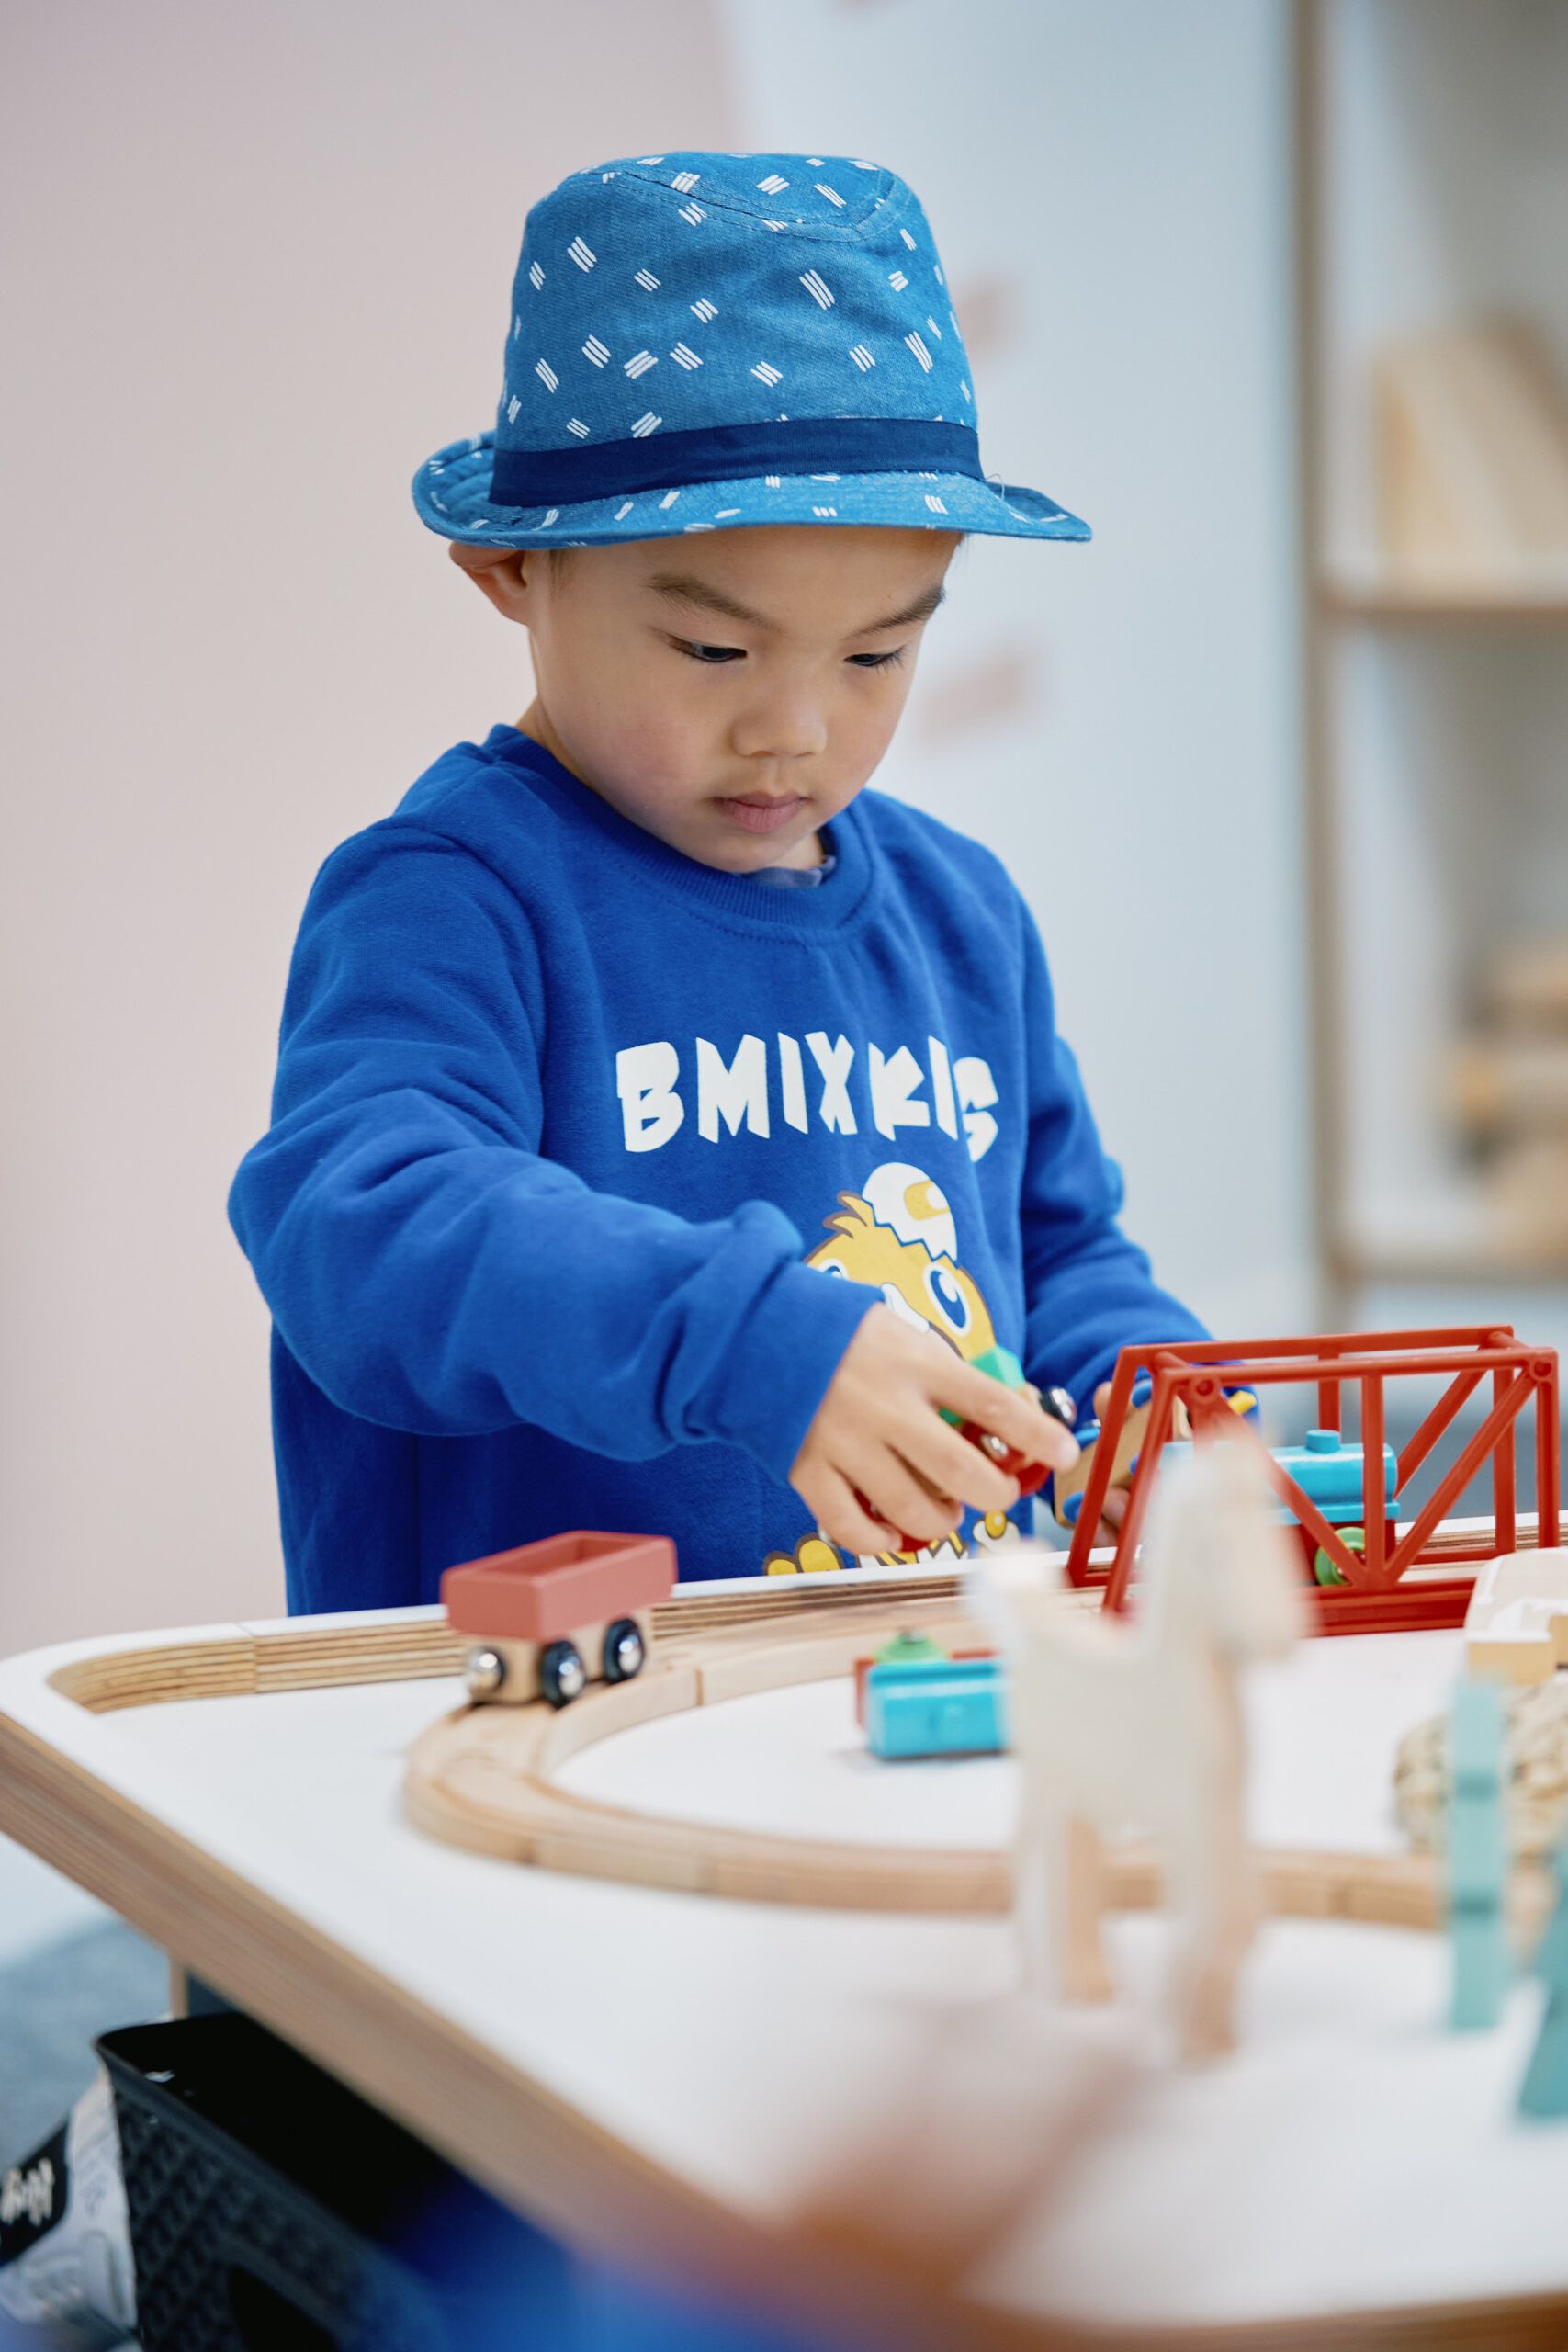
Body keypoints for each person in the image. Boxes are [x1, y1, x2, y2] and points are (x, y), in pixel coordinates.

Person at [229, 150, 1208, 1614]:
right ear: (509, 568)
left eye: (876, 654)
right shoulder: (453, 897)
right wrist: (748, 1343)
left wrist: (1161, 1414)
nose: (793, 729)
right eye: (713, 650)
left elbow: (1059, 1258)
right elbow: (362, 1225)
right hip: (543, 1721)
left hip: (903, 1688)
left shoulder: (963, 917)